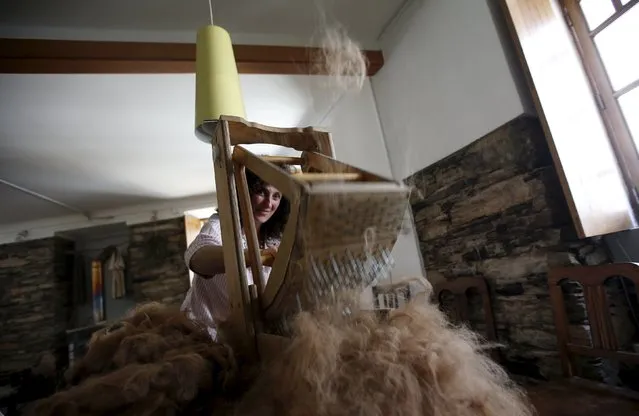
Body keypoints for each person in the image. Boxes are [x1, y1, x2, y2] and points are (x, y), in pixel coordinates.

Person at [181, 168, 290, 339]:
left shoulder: (277, 238)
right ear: (243, 191)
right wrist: (256, 256)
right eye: (262, 192)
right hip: (199, 336)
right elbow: (197, 258)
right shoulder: (220, 225)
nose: (269, 204)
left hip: (241, 339)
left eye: (276, 196)